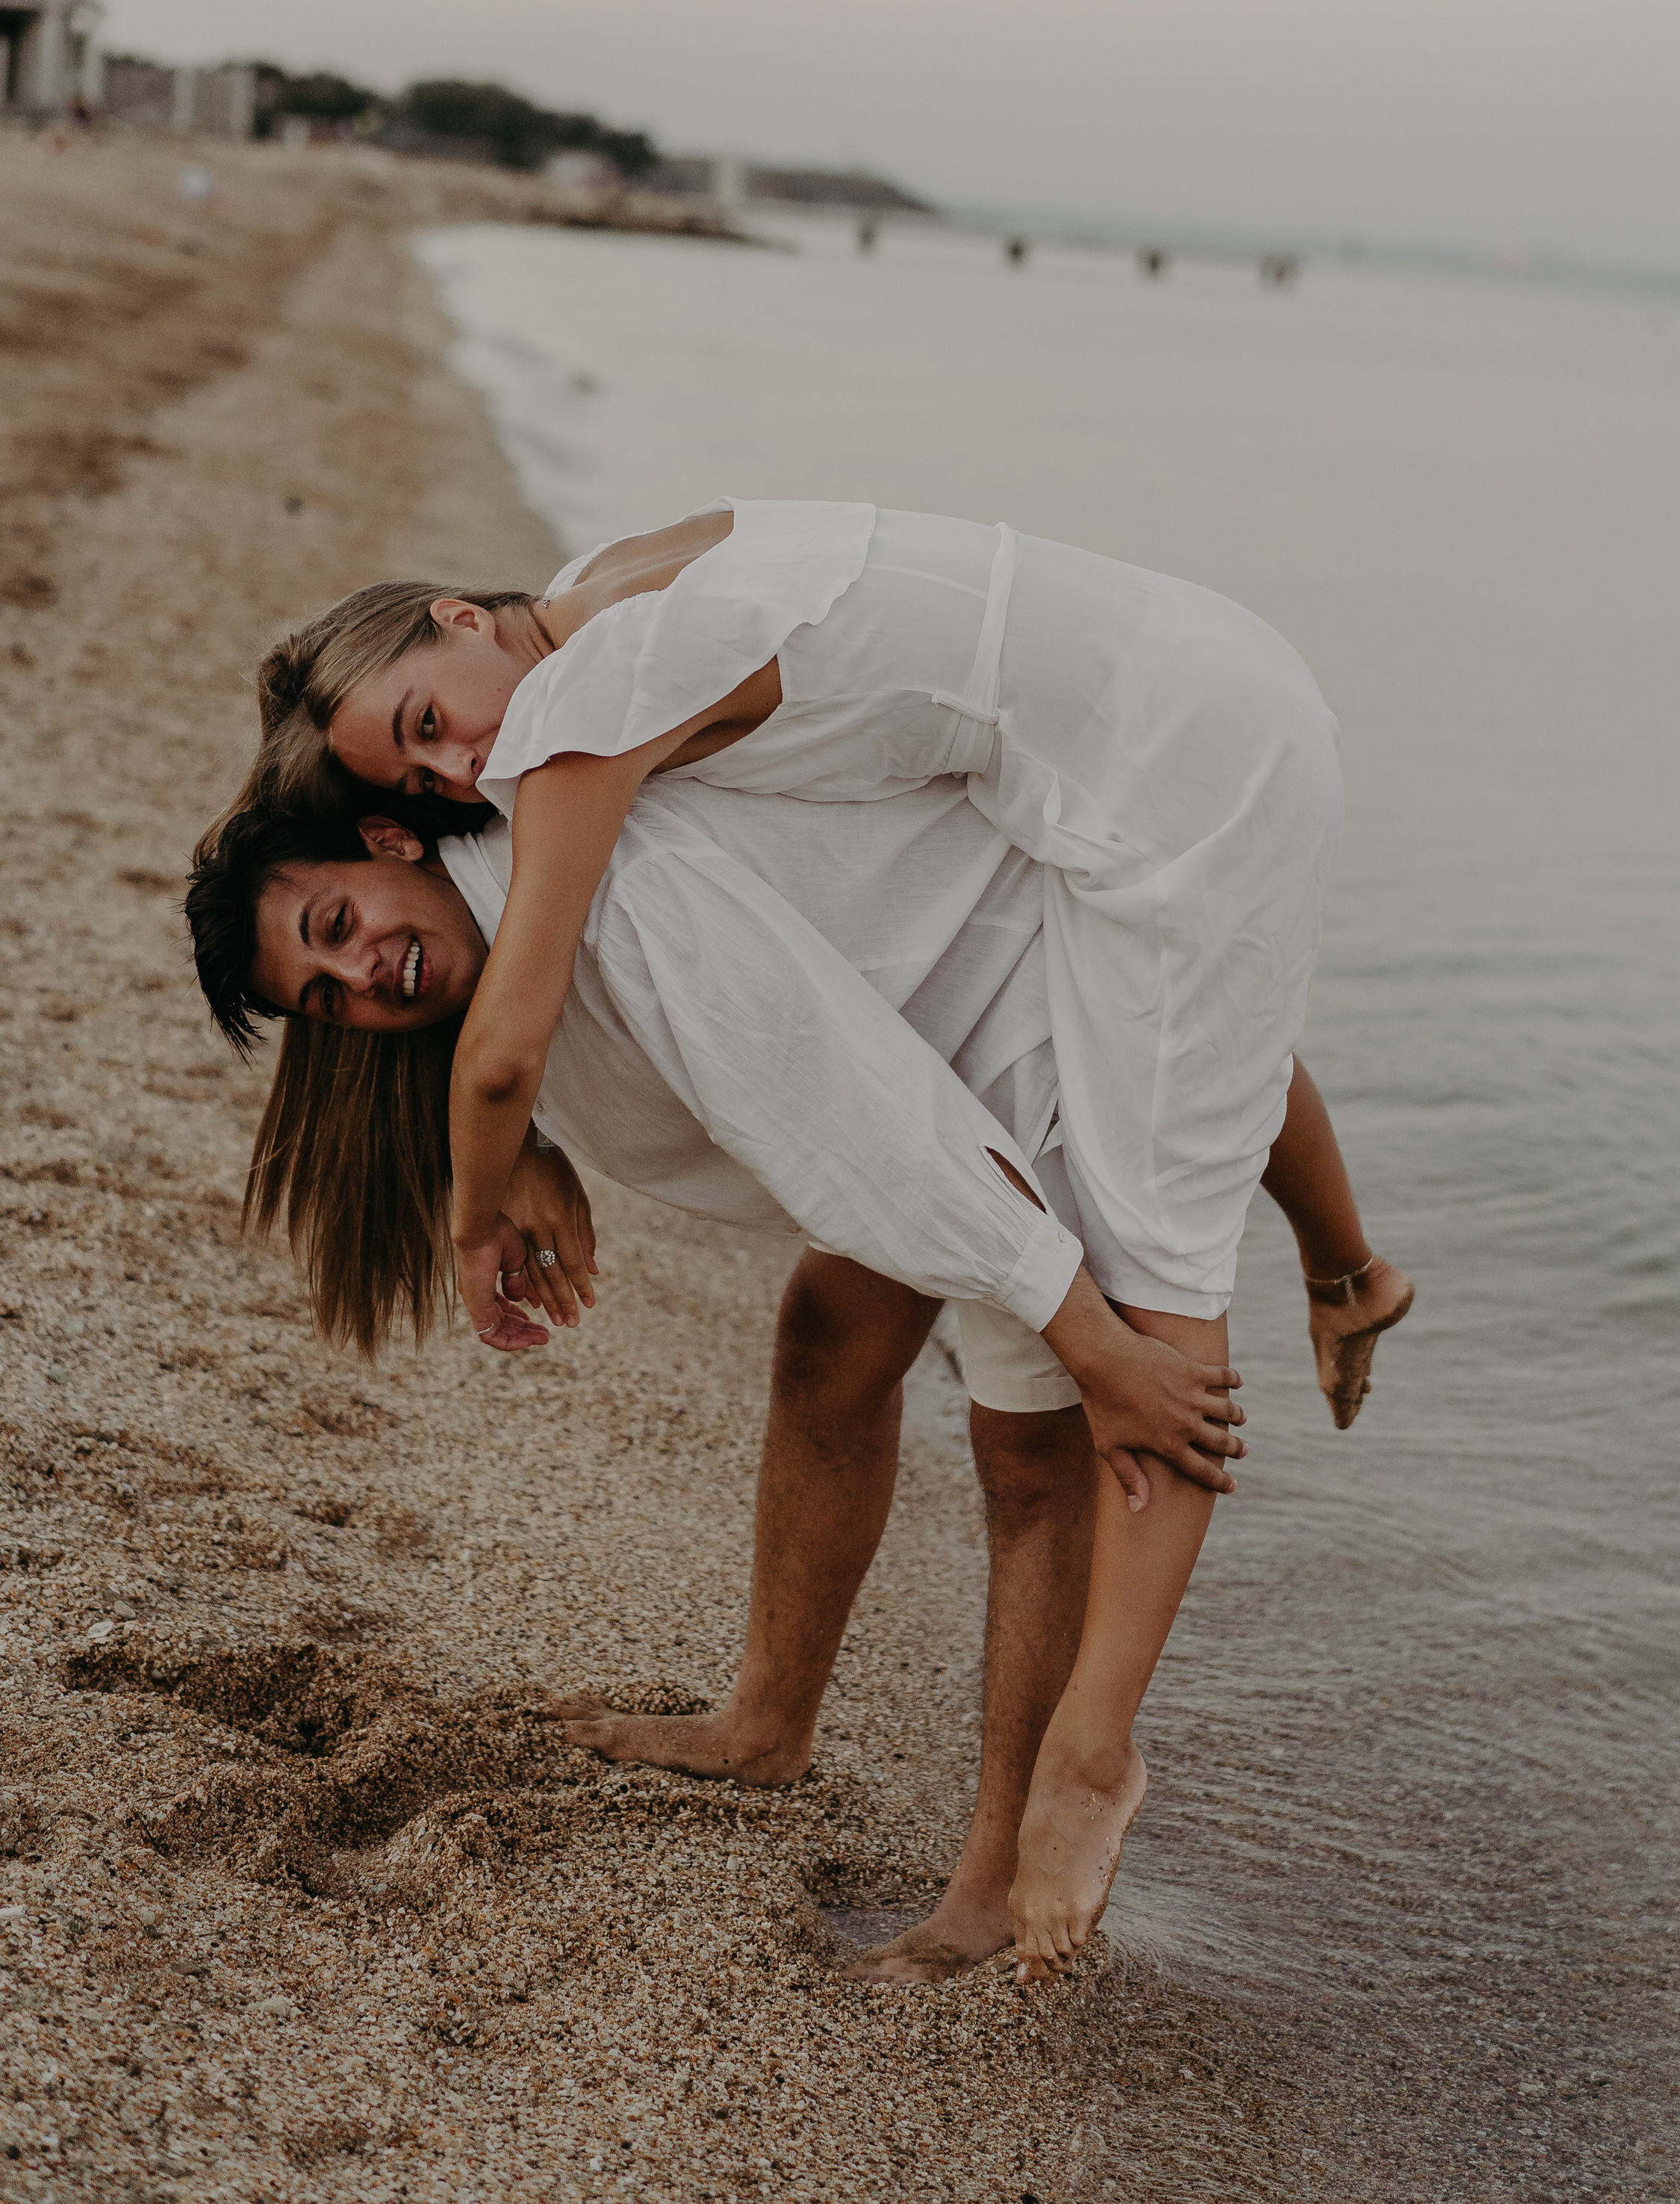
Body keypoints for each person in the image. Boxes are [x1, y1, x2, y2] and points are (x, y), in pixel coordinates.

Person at [186, 772, 1397, 1985]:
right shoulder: (518, 911)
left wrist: (1090, 1341)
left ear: (391, 843)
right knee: (830, 1347)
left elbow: (878, 1123)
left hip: (1031, 1059)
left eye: (339, 928)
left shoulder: (636, 918)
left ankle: (987, 1891)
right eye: (327, 1000)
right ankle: (768, 1725)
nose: (364, 979)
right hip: (941, 1030)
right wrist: (523, 1148)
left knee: (1030, 1459)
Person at [254, 500, 1413, 1430]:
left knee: (1166, 1251)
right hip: (1131, 674)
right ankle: (1345, 1269)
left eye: (427, 725)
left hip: (1151, 748)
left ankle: (1098, 1727)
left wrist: (477, 1217)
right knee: (1199, 1034)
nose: (466, 769)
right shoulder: (606, 575)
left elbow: (507, 1042)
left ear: (457, 616)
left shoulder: (582, 711)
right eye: (422, 782)